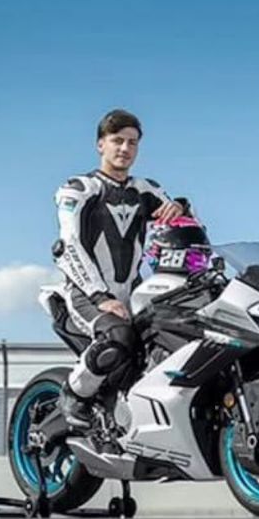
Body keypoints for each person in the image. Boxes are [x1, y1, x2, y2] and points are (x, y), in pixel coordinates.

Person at [52, 109, 187, 426]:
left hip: (133, 293)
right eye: (117, 141)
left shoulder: (145, 190)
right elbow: (69, 246)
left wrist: (180, 205)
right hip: (85, 294)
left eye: (132, 142)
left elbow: (182, 222)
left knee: (176, 332)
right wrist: (101, 297)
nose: (125, 148)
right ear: (101, 144)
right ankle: (74, 394)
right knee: (118, 336)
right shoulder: (80, 189)